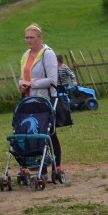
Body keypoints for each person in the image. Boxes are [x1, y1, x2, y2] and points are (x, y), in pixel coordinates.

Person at [18, 23, 66, 182]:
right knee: (31, 133)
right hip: (28, 98)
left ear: (40, 38)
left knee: (49, 133)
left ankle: (56, 167)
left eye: (32, 37)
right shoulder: (26, 54)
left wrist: (32, 83)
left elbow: (52, 80)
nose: (29, 40)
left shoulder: (48, 53)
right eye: (27, 37)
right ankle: (40, 168)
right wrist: (22, 84)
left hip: (44, 99)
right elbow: (25, 75)